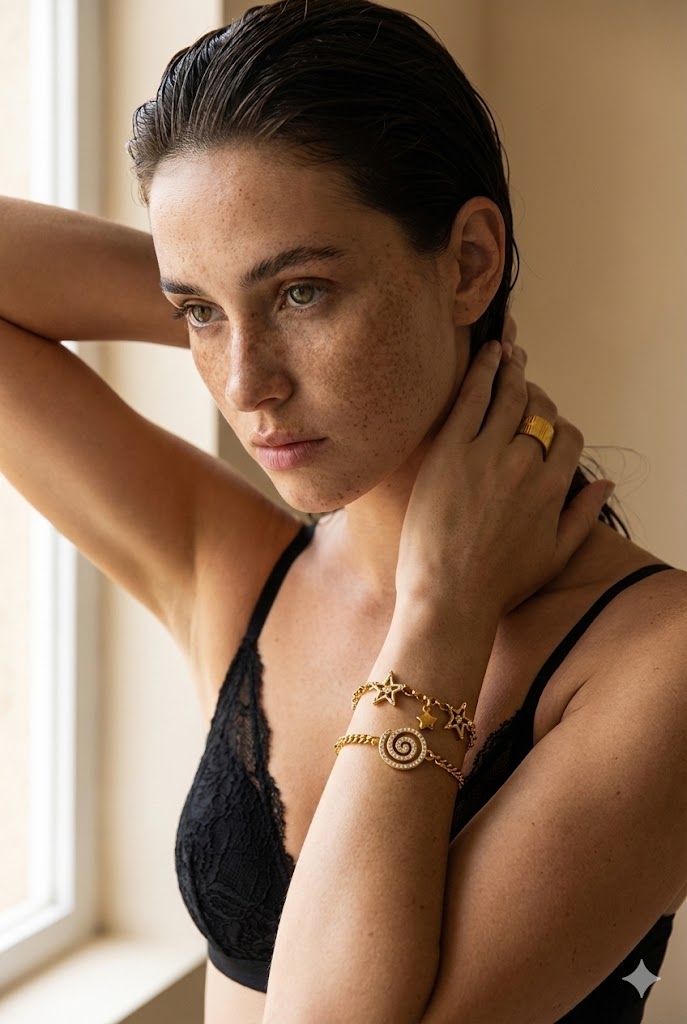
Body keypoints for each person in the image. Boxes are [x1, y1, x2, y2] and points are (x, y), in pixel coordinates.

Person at [1, 0, 685, 1021]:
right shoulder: (242, 576)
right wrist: (242, 282)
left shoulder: (656, 665)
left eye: (306, 293)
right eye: (197, 313)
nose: (246, 387)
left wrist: (441, 612)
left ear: (469, 262)